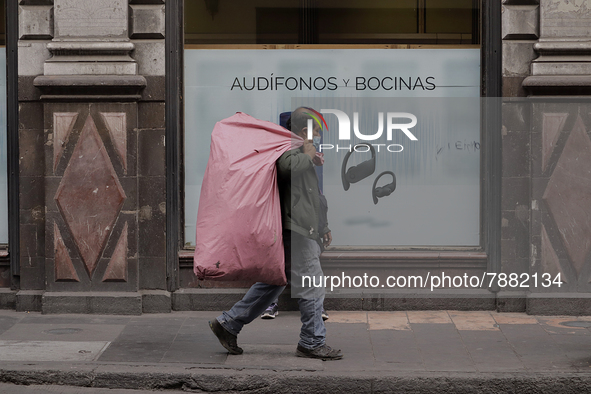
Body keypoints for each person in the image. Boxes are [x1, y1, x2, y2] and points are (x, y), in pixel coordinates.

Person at [209, 107, 343, 360]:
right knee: (312, 286)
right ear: (306, 131)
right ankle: (312, 341)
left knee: (273, 282)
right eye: (316, 131)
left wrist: (323, 226)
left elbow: (310, 197)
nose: (319, 136)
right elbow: (286, 168)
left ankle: (228, 324)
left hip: (301, 228)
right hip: (297, 231)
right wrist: (308, 152)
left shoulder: (300, 151)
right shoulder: (288, 148)